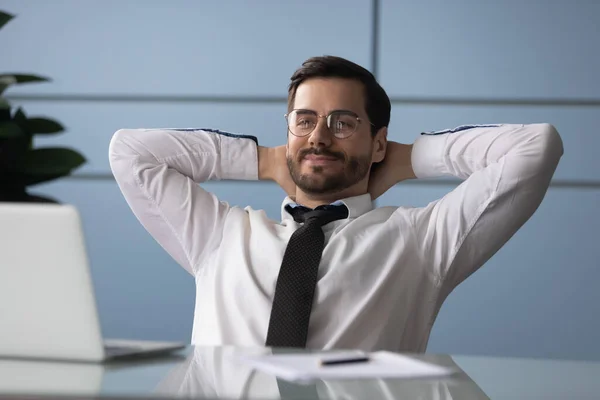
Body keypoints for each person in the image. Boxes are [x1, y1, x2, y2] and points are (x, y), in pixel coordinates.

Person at [108, 55, 563, 352]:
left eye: (343, 122)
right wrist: (265, 159)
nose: (319, 136)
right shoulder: (218, 234)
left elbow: (535, 147)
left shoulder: (422, 240)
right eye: (304, 121)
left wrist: (404, 160)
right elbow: (130, 151)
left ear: (378, 142)